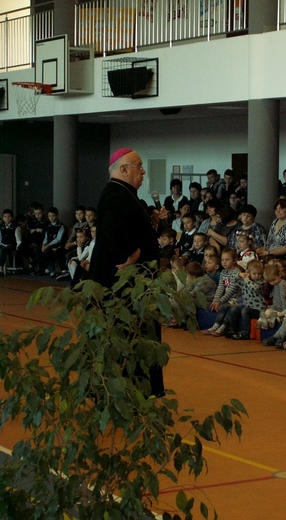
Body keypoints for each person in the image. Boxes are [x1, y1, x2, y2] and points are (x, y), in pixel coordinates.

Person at [90, 148, 165, 397]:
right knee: (130, 336)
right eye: (139, 166)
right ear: (123, 169)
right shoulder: (115, 195)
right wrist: (133, 253)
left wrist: (151, 223)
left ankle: (138, 389)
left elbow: (129, 227)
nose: (143, 171)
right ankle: (129, 391)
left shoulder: (125, 194)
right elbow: (115, 233)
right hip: (124, 287)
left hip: (133, 283)